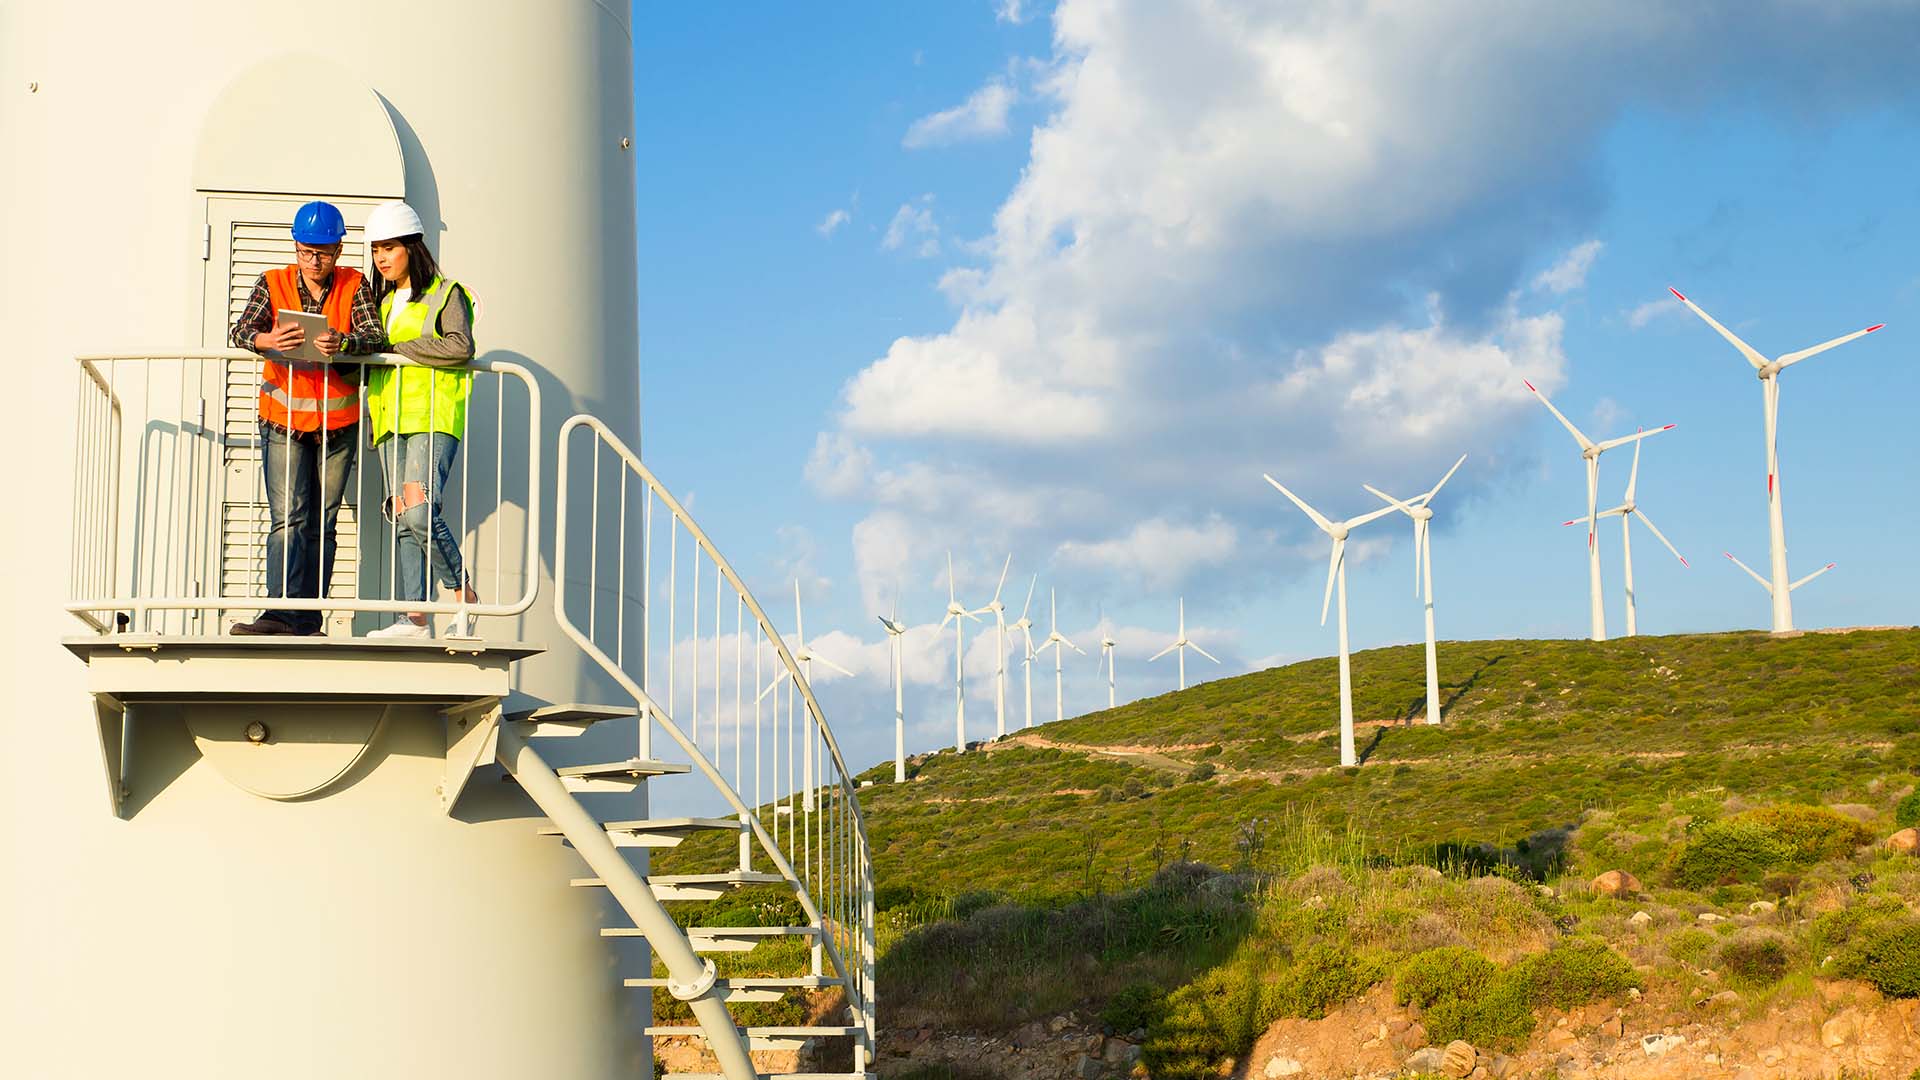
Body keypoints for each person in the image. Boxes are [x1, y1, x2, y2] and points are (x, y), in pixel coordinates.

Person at [228, 200, 383, 636]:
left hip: (337, 423)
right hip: (283, 418)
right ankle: (279, 612)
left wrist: (346, 342)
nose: (315, 261)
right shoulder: (272, 282)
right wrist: (265, 337)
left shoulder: (355, 285)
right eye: (306, 251)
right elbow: (239, 330)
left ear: (338, 248)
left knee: (323, 524)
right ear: (296, 246)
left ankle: (308, 618)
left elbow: (375, 336)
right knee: (289, 520)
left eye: (324, 252)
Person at [361, 200, 481, 639]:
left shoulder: (446, 294)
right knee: (402, 517)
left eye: (389, 248)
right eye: (376, 251)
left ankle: (463, 593)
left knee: (418, 512)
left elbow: (460, 347)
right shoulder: (383, 301)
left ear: (412, 247)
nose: (382, 259)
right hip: (391, 419)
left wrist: (402, 348)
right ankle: (414, 616)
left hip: (432, 416)